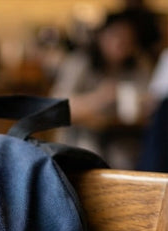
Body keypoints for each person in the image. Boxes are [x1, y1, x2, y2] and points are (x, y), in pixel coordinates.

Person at [50, 11, 153, 167]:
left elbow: (149, 99)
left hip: (124, 138)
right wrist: (99, 98)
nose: (121, 42)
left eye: (128, 38)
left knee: (130, 156)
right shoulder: (80, 62)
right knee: (90, 151)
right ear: (101, 36)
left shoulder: (139, 64)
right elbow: (54, 106)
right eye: (115, 35)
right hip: (82, 136)